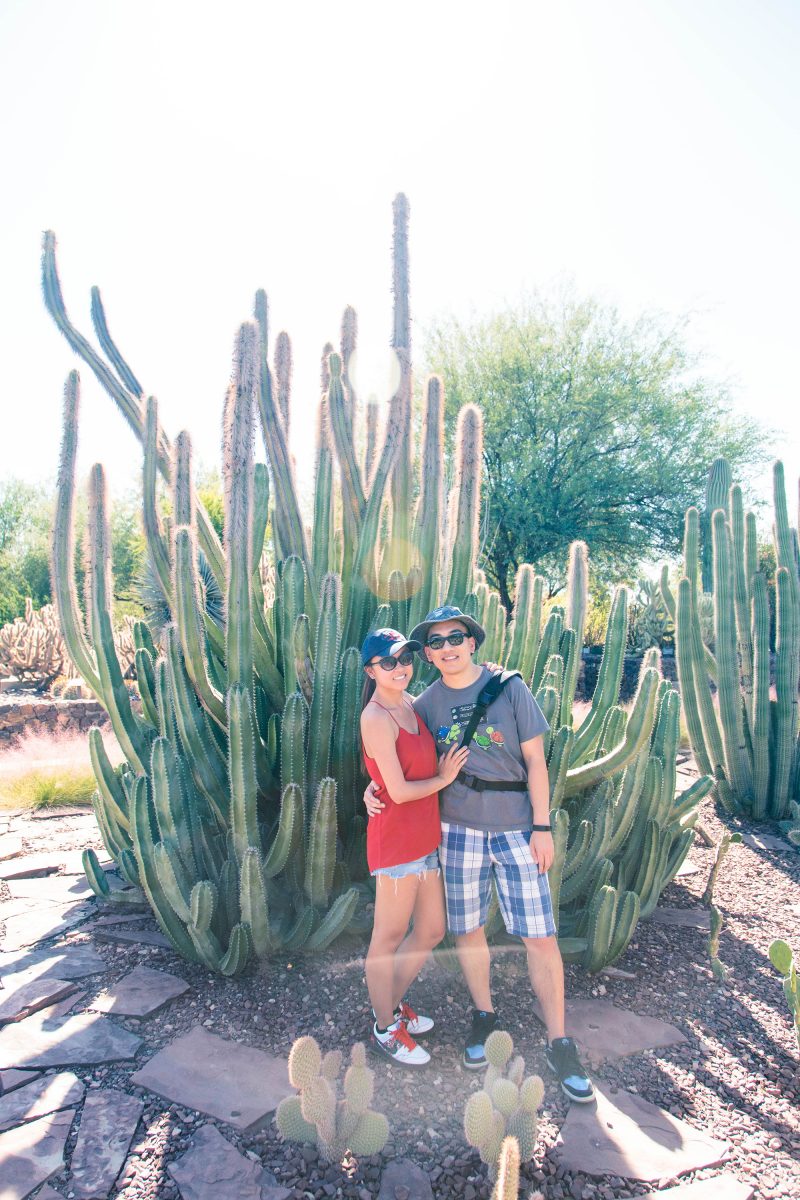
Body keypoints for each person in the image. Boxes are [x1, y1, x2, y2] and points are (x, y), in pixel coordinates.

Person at [365, 605, 594, 1103]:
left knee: (540, 936)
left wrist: (542, 825)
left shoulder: (510, 688)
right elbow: (402, 755)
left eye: (456, 636)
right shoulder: (422, 702)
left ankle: (559, 1041)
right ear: (428, 654)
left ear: (472, 642)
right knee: (467, 930)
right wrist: (373, 789)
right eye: (436, 641)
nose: (447, 646)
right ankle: (483, 1017)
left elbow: (536, 761)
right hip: (456, 832)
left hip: (517, 831)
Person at [360, 627, 470, 1068]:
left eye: (405, 658)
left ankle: (389, 1003)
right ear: (371, 670)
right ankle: (385, 1027)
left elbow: (389, 772)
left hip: (424, 838)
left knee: (430, 931)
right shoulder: (375, 716)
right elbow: (400, 790)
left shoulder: (408, 703)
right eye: (388, 662)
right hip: (396, 842)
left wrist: (373, 784)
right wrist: (444, 780)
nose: (400, 668)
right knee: (386, 937)